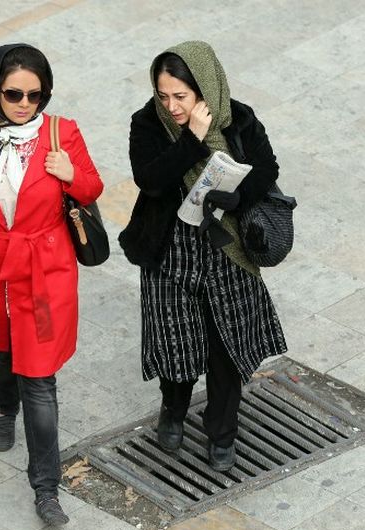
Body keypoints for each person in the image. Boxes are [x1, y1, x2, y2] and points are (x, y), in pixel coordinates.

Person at [0, 43, 103, 524]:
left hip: (42, 268)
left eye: (36, 94)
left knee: (41, 376)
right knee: (1, 349)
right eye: (13, 93)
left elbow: (91, 189)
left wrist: (72, 175)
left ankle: (46, 488)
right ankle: (3, 407)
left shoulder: (62, 134)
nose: (25, 104)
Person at [119, 41, 287, 471]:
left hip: (226, 250)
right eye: (164, 95)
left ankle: (222, 432)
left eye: (181, 96)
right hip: (170, 250)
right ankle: (173, 410)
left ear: (204, 90)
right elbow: (150, 180)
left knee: (225, 347)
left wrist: (234, 198)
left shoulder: (238, 119)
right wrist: (191, 140)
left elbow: (267, 169)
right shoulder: (148, 124)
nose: (171, 106)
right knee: (177, 342)